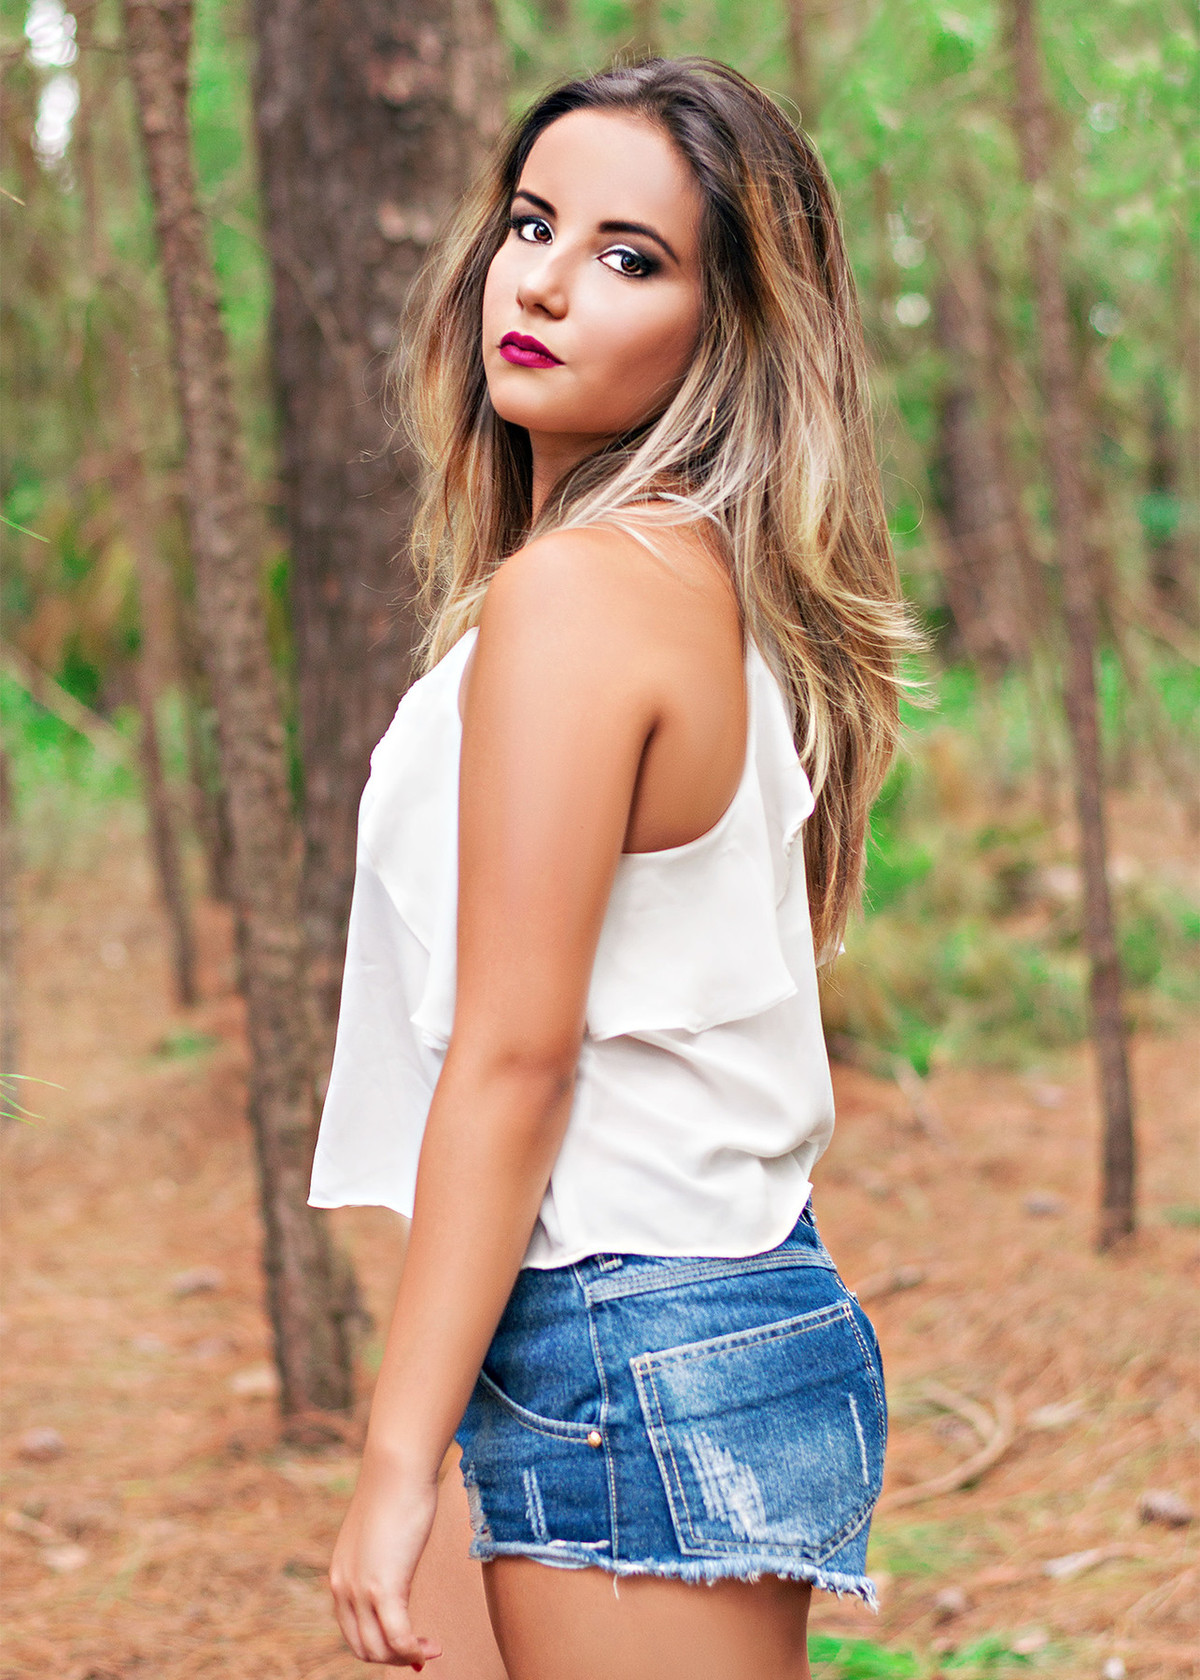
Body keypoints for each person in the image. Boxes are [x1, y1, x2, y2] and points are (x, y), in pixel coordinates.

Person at [307, 56, 919, 1679]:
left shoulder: (585, 592)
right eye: (532, 224)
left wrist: (390, 1460)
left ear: (728, 329)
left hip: (626, 1335)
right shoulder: (686, 576)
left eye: (630, 256)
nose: (545, 282)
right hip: (618, 1317)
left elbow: (518, 1055)